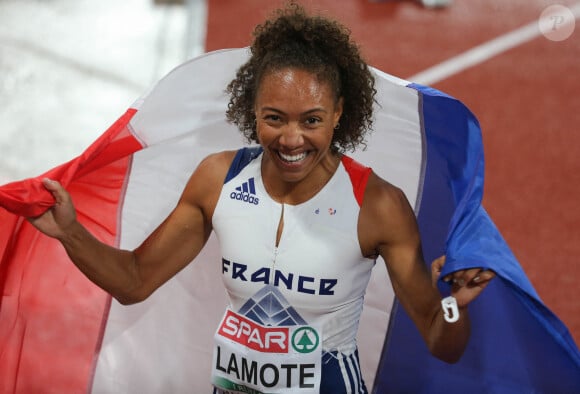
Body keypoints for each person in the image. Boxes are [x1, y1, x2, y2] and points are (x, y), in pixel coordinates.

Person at [29, 3, 494, 393]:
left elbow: (439, 337)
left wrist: (455, 302)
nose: (292, 140)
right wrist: (70, 232)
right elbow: (133, 281)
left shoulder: (377, 206)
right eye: (275, 118)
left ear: (338, 113)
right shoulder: (218, 179)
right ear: (252, 110)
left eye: (311, 121)